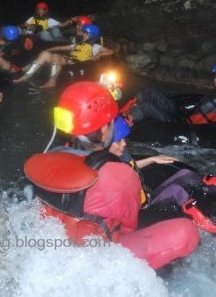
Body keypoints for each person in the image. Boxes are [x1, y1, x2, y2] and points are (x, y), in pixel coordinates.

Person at [26, 81, 200, 269]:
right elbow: (129, 226)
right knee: (187, 232)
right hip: (98, 259)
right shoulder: (119, 175)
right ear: (103, 130)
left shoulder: (46, 158)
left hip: (56, 245)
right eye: (110, 123)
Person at [106, 115, 216, 233]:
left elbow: (130, 167)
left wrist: (153, 159)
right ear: (105, 143)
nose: (123, 144)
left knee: (188, 175)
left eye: (123, 139)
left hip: (147, 199)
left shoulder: (117, 155)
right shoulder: (103, 166)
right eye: (118, 141)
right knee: (181, 192)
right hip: (141, 215)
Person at [14, 24, 113, 88]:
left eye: (84, 33)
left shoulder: (94, 46)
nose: (82, 34)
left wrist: (99, 55)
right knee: (45, 54)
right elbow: (61, 48)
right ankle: (26, 76)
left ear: (90, 34)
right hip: (67, 62)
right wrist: (48, 49)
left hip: (76, 65)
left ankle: (52, 81)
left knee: (56, 57)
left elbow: (110, 51)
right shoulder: (77, 44)